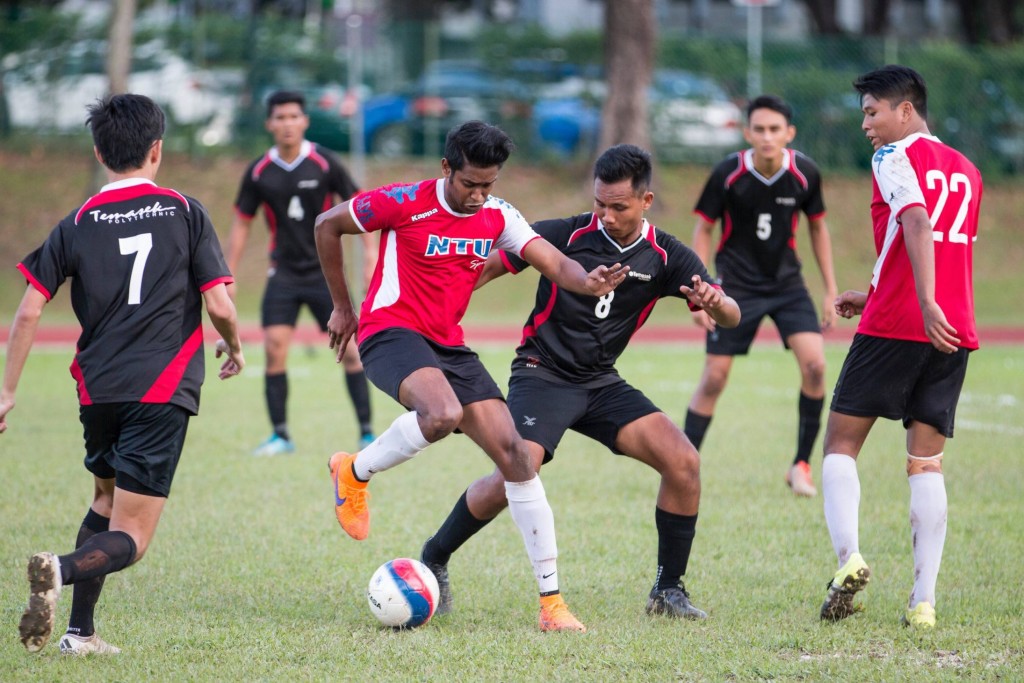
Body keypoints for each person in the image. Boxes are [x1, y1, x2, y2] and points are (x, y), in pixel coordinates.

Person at [314, 120, 629, 633]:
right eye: (470, 184)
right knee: (441, 413)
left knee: (516, 459)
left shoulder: (497, 215)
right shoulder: (404, 200)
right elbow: (327, 224)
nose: (479, 195)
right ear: (446, 169)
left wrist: (588, 281)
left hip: (448, 344)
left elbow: (553, 262)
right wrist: (343, 306)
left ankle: (552, 605)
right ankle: (355, 472)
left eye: (489, 184)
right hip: (389, 330)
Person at [419, 144, 740, 621]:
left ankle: (667, 591)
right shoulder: (563, 235)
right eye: (599, 204)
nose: (606, 216)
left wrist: (715, 302)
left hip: (600, 383)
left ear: (646, 201)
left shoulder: (666, 255)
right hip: (541, 372)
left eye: (619, 206)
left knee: (683, 462)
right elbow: (480, 272)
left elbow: (731, 316)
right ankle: (435, 556)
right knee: (519, 466)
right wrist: (432, 315)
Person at [2, 94, 245, 655]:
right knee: (132, 537)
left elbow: (29, 310)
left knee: (105, 501)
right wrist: (233, 347)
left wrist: (7, 392)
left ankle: (79, 633)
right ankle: (58, 569)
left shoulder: (79, 220)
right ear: (156, 149)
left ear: (98, 151)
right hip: (160, 388)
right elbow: (223, 305)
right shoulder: (185, 210)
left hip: (97, 388)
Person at [817, 65, 981, 629]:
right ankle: (924, 601)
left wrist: (920, 300)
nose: (867, 124)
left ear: (905, 110)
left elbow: (913, 218)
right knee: (926, 462)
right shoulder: (968, 170)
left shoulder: (892, 157)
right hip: (951, 327)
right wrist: (880, 292)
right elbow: (944, 245)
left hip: (900, 324)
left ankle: (848, 562)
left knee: (839, 445)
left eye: (873, 111)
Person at [683, 94, 838, 497]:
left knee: (817, 368)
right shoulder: (728, 173)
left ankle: (801, 465)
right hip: (735, 288)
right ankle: (681, 464)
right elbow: (703, 228)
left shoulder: (805, 173)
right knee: (714, 378)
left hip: (787, 286)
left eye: (775, 129)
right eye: (759, 129)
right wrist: (702, 291)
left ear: (789, 133)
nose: (767, 137)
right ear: (747, 131)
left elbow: (818, 229)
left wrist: (830, 291)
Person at [228, 89, 375, 456]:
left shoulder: (325, 162)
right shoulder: (259, 170)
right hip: (284, 274)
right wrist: (227, 273)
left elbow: (362, 207)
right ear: (269, 124)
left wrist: (370, 255)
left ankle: (367, 433)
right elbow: (242, 222)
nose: (287, 123)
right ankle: (280, 435)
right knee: (275, 348)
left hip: (328, 275)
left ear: (305, 121)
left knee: (353, 352)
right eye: (280, 117)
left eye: (294, 116)